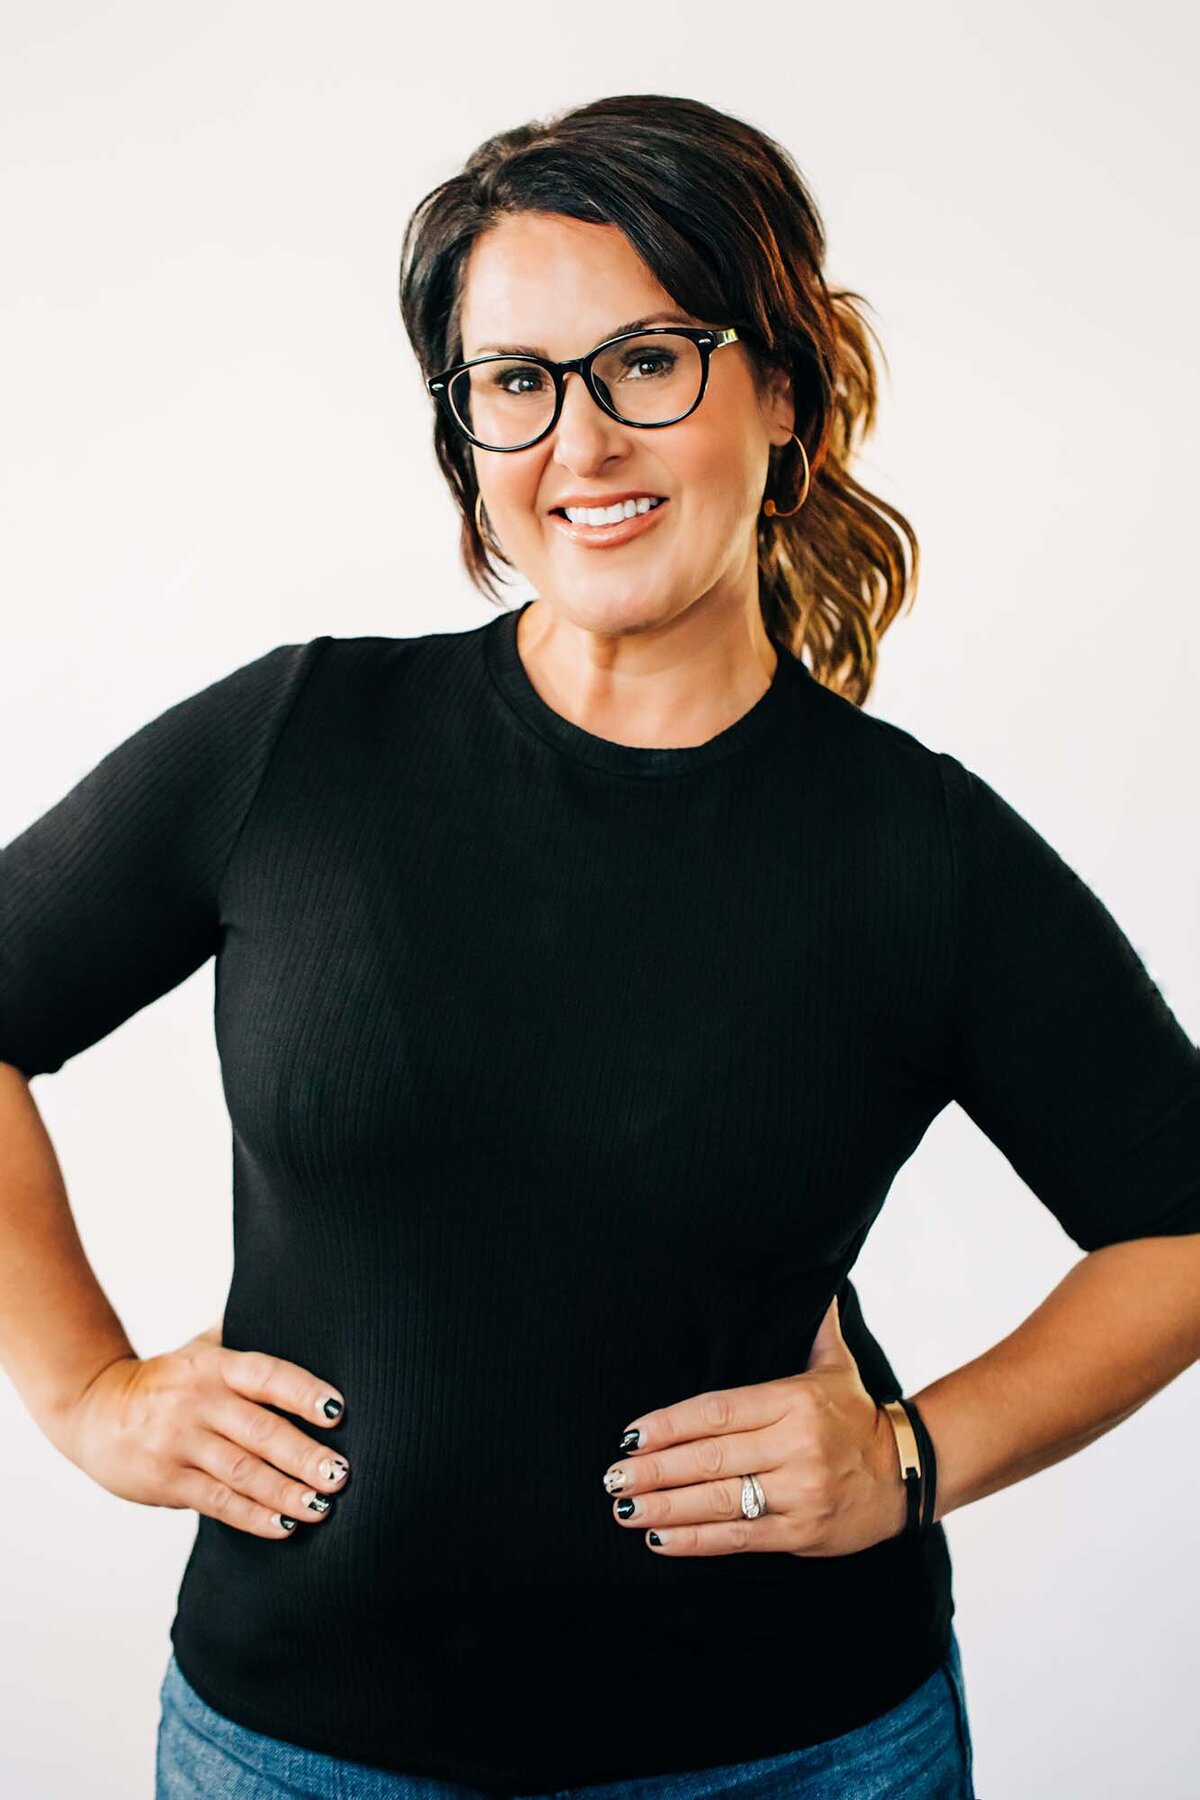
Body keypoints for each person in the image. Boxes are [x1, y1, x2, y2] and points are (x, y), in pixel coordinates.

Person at [2, 91, 1198, 1800]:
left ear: (781, 388)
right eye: (516, 382)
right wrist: (91, 1396)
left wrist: (917, 1460)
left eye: (648, 359)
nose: (581, 442)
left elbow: (1181, 1219)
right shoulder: (300, 744)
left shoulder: (915, 849)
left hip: (797, 1757)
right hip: (296, 1754)